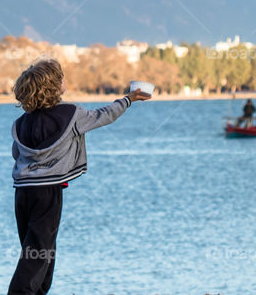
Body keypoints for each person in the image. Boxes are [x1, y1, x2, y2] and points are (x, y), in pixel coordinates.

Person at [8, 59, 151, 295]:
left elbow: (18, 154)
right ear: (54, 86)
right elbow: (105, 115)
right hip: (47, 193)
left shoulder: (20, 123)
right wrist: (128, 99)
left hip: (23, 192)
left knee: (38, 249)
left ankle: (38, 291)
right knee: (38, 252)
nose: (65, 80)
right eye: (61, 77)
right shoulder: (71, 114)